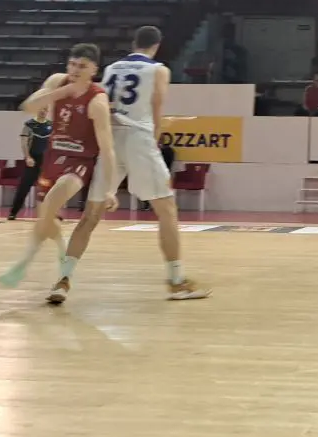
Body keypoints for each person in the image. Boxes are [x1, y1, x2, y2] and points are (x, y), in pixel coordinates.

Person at [50, 26, 210, 302]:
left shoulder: (111, 68)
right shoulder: (158, 70)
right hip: (138, 140)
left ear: (134, 43)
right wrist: (154, 140)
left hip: (110, 139)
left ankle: (62, 281)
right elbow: (156, 109)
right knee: (167, 210)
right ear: (157, 46)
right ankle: (176, 281)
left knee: (90, 217)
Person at [0, 43, 117, 301]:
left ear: (94, 70)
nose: (75, 70)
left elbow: (108, 149)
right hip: (53, 158)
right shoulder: (57, 82)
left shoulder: (97, 100)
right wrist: (62, 92)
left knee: (53, 200)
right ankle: (62, 250)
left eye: (82, 66)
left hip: (79, 161)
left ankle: (23, 264)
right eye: (72, 64)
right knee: (46, 217)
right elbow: (28, 106)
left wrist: (110, 188)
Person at [7, 109, 52, 220]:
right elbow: (24, 143)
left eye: (45, 109)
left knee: (49, 188)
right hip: (33, 160)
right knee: (24, 187)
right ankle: (13, 212)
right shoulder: (29, 125)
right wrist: (28, 157)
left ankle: (51, 213)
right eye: (41, 109)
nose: (43, 111)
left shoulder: (51, 125)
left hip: (46, 161)